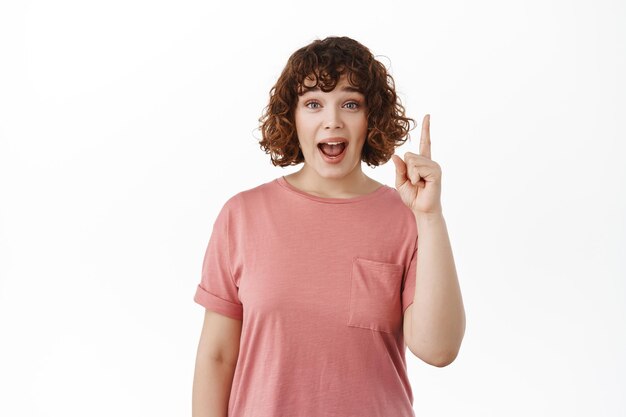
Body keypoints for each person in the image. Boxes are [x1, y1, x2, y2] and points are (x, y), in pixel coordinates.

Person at [191, 36, 465, 417]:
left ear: (371, 118)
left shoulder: (407, 216)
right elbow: (217, 357)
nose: (332, 120)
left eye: (350, 104)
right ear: (293, 117)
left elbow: (439, 350)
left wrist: (430, 217)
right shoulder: (242, 215)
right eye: (314, 104)